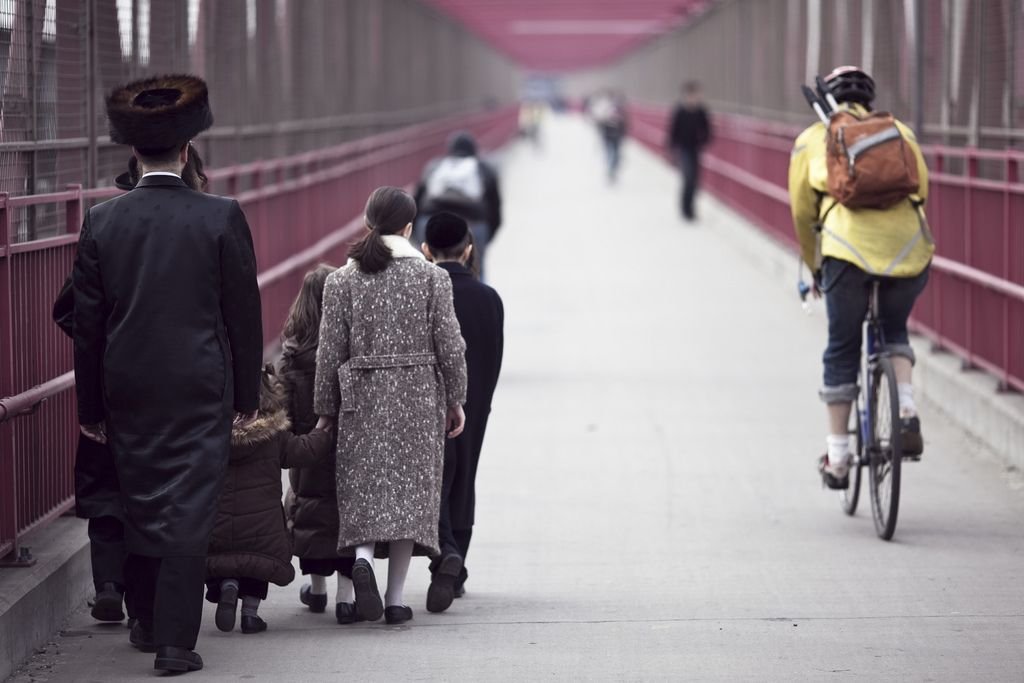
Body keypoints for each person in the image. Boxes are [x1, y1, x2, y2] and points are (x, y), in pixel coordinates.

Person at [73, 74, 263, 674]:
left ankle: (145, 620)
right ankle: (175, 644)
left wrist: (90, 411)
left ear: (134, 151)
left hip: (126, 384)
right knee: (189, 509)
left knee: (137, 500)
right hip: (201, 386)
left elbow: (89, 327)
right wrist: (247, 396)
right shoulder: (222, 216)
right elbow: (244, 315)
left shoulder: (102, 222)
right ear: (187, 152)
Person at [52, 146, 211, 627]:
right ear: (187, 163)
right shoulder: (209, 223)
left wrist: (104, 344)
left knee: (107, 491)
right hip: (179, 391)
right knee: (162, 500)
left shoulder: (106, 227)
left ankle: (109, 586)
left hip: (112, 384)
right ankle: (150, 616)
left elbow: (69, 309)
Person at [314, 186, 467, 626]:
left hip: (361, 394)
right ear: (407, 227)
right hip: (419, 395)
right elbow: (450, 346)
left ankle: (362, 560)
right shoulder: (433, 278)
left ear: (368, 224)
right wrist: (456, 398)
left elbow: (329, 351)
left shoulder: (343, 280)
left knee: (363, 487)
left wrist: (326, 407)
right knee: (410, 498)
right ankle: (397, 600)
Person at [788, 66, 932, 490]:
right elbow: (922, 190)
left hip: (845, 251)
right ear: (870, 98)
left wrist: (815, 264)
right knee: (894, 329)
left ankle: (837, 457)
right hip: (907, 246)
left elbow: (801, 211)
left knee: (842, 347)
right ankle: (905, 409)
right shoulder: (899, 132)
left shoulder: (812, 138)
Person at [205, 365, 333, 635]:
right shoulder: (273, 436)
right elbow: (305, 451)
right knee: (256, 566)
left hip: (218, 526)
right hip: (261, 531)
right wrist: (322, 431)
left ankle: (228, 586)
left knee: (224, 563)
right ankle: (250, 614)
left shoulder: (209, 435)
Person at [419, 213, 504, 612]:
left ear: (425, 250)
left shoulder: (422, 292)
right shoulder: (489, 299)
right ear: (469, 249)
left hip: (426, 401)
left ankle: (441, 552)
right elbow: (494, 357)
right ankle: (456, 564)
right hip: (474, 400)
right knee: (464, 476)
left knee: (432, 476)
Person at [279, 264, 361, 625]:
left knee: (311, 512)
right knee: (345, 515)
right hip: (347, 449)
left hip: (307, 450)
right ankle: (347, 598)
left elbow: (282, 410)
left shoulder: (291, 358)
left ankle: (317, 590)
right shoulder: (347, 353)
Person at [413, 132, 502, 281]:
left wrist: (417, 235)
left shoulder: (434, 166)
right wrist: (485, 238)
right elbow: (495, 209)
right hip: (473, 226)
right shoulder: (483, 169)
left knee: (428, 274)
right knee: (477, 272)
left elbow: (417, 201)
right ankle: (482, 300)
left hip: (431, 223)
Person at [667, 81, 712, 221]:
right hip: (683, 149)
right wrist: (671, 148)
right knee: (688, 178)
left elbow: (708, 130)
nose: (694, 97)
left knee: (695, 180)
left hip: (695, 149)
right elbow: (673, 131)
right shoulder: (680, 111)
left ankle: (691, 208)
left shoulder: (701, 111)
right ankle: (685, 209)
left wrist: (704, 140)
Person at [589, 90, 628, 183]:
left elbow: (625, 123)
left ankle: (612, 168)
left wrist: (623, 133)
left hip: (616, 135)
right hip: (608, 134)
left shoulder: (620, 109)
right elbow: (599, 121)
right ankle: (610, 169)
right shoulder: (605, 109)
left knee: (616, 153)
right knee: (611, 152)